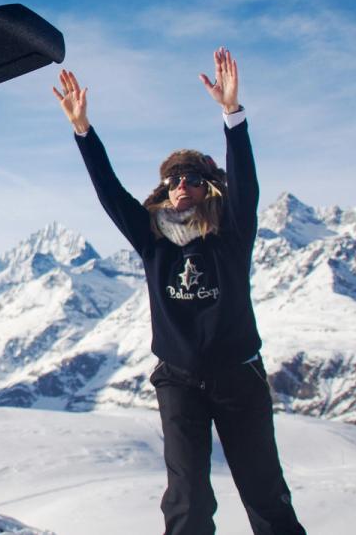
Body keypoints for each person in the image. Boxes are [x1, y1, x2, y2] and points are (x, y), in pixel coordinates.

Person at [53, 48, 305, 535]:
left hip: (238, 378)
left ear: (208, 187)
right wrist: (83, 131)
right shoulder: (152, 238)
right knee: (187, 500)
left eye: (190, 178)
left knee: (263, 492)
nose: (179, 185)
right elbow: (110, 194)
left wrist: (232, 115)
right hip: (179, 380)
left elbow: (247, 186)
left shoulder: (230, 233)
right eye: (172, 179)